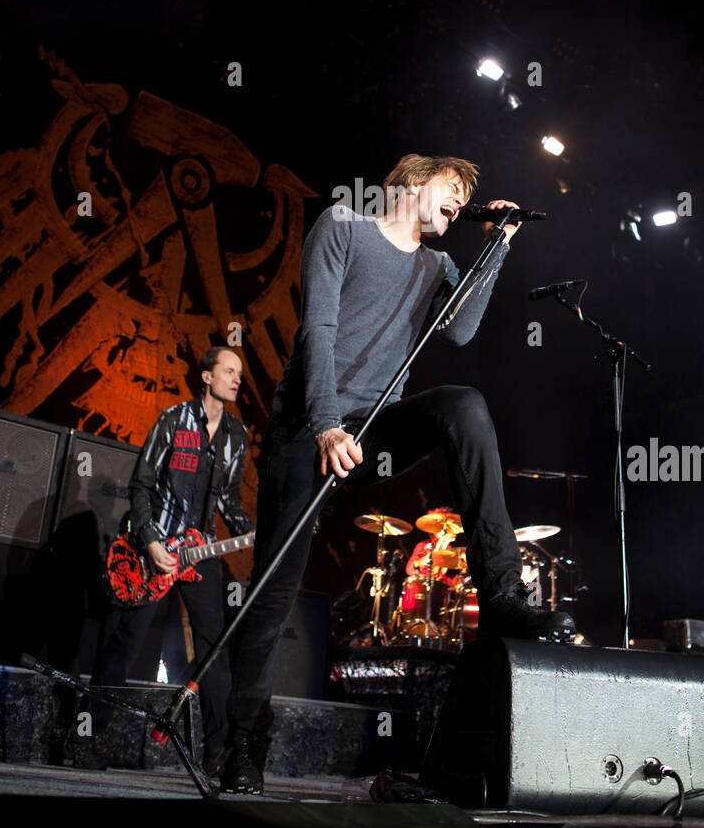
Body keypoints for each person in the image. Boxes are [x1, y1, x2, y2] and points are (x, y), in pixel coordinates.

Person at [221, 154, 575, 795]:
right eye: (453, 188)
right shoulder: (345, 226)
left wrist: (498, 245)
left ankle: (498, 593)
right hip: (310, 425)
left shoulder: (438, 264)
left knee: (464, 404)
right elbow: (319, 330)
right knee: (274, 593)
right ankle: (245, 743)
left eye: (469, 193)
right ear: (414, 182)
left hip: (375, 427)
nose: (462, 198)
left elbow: (462, 330)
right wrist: (327, 423)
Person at [89, 346, 252, 780]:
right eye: (229, 370)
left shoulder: (238, 435)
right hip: (156, 551)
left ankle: (219, 754)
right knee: (125, 645)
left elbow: (229, 502)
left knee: (214, 652)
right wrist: (149, 541)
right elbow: (141, 484)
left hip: (200, 555)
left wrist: (256, 533)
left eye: (240, 373)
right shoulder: (172, 420)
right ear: (206, 376)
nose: (237, 379)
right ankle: (90, 740)